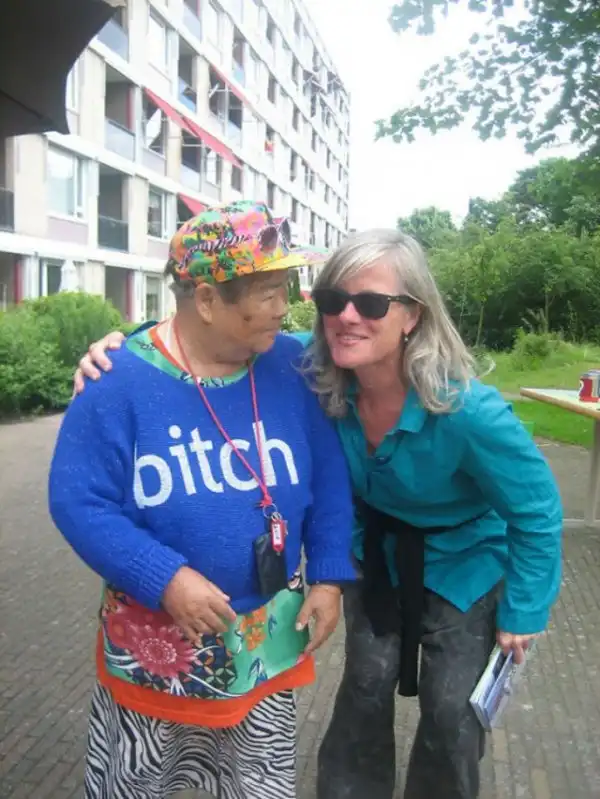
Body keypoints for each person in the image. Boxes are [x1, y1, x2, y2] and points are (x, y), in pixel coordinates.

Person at [74, 227, 563, 799]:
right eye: (333, 300)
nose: (346, 317)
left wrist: (525, 611)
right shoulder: (315, 369)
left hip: (463, 561)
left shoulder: (468, 411)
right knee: (365, 687)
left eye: (372, 304)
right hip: (377, 553)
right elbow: (199, 334)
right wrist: (122, 345)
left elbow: (537, 510)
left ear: (412, 315)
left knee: (452, 707)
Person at [50, 201, 357, 799]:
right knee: (138, 784)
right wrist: (163, 577)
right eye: (268, 292)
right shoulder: (116, 381)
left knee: (258, 786)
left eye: (287, 286)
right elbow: (79, 502)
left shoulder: (293, 364)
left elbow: (328, 478)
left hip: (264, 643)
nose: (286, 306)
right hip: (157, 649)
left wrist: (328, 576)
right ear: (209, 300)